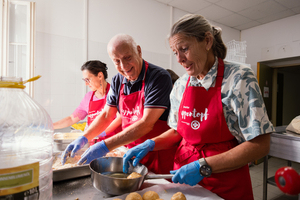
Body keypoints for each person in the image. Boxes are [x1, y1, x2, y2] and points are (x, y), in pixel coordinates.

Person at [123, 14, 275, 200]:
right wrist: (150, 144)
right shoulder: (181, 85)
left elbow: (260, 144)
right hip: (184, 178)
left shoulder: (239, 78)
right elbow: (177, 131)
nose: (179, 59)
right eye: (175, 52)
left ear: (207, 41)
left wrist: (204, 165)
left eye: (184, 49)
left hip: (224, 182)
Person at [61, 34, 177, 175]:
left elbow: (146, 123)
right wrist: (84, 137)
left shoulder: (158, 77)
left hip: (156, 154)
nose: (124, 66)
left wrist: (105, 145)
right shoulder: (118, 81)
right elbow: (106, 115)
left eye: (128, 58)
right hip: (129, 153)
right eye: (117, 61)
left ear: (139, 51)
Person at [53, 60, 121, 142]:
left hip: (113, 143)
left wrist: (102, 133)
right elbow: (72, 118)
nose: (86, 84)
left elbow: (120, 118)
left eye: (88, 79)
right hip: (93, 143)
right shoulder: (88, 97)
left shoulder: (115, 93)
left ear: (100, 76)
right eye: (84, 80)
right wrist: (50, 126)